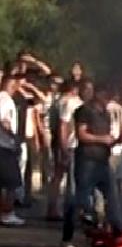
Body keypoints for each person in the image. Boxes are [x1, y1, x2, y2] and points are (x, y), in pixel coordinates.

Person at [62, 80, 122, 247]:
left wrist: (113, 142)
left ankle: (117, 234)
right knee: (79, 201)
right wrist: (103, 139)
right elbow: (82, 135)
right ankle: (67, 240)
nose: (108, 99)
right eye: (106, 95)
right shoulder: (84, 110)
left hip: (103, 162)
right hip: (86, 162)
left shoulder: (106, 113)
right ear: (99, 94)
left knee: (113, 198)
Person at [47, 80, 82, 220]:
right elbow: (64, 124)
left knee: (58, 175)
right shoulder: (71, 102)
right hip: (69, 143)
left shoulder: (57, 101)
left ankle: (52, 207)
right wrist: (64, 146)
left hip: (57, 140)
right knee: (73, 177)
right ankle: (71, 209)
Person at [0, 74, 26, 226]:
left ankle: (4, 211)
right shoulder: (6, 100)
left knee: (4, 182)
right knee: (11, 182)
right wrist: (14, 137)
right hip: (5, 145)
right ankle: (7, 213)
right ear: (13, 83)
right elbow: (3, 121)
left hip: (3, 145)